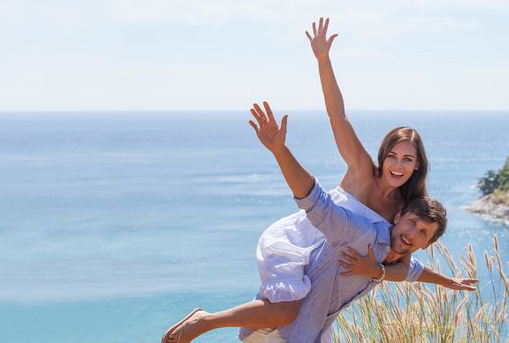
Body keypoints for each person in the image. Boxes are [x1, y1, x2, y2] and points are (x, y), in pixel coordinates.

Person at [162, 18, 477, 343]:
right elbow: (337, 115)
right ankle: (204, 321)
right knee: (285, 313)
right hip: (302, 241)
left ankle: (207, 321)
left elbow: (404, 264)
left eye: (407, 159)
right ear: (383, 156)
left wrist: (384, 273)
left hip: (327, 270)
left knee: (288, 322)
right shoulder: (360, 169)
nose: (398, 165)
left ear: (417, 166)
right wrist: (323, 59)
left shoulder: (405, 210)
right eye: (393, 156)